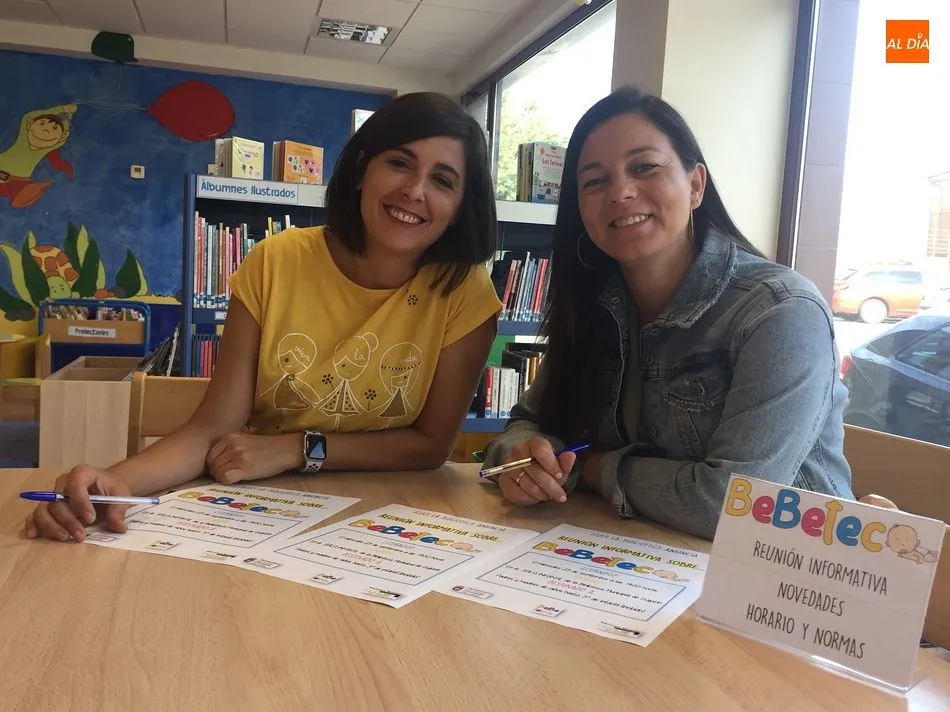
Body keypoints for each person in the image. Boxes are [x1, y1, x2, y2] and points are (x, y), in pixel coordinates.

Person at [26, 92, 502, 542]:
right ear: (362, 169)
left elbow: (431, 445)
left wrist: (299, 448)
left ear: (460, 208)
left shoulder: (466, 290)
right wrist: (116, 482)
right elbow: (211, 430)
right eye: (399, 163)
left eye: (443, 181)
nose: (415, 191)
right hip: (261, 509)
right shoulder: (276, 261)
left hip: (394, 515)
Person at [482, 86, 854, 540]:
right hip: (633, 553)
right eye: (595, 181)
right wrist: (522, 458)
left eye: (644, 167)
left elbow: (730, 505)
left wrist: (592, 466)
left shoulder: (780, 311)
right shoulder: (592, 305)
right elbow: (525, 422)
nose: (620, 192)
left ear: (695, 185)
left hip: (785, 566)